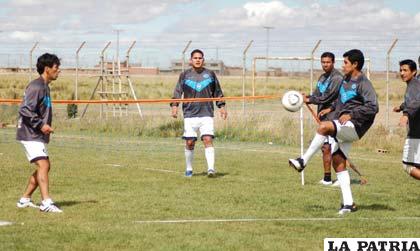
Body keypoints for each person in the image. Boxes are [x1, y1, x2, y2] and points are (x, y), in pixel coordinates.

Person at [289, 49, 378, 215]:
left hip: (356, 125)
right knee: (338, 162)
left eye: (345, 62)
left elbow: (373, 107)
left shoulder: (364, 83)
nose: (342, 66)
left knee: (324, 127)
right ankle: (349, 204)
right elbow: (337, 100)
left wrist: (351, 114)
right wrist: (309, 99)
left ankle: (303, 161)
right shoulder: (345, 79)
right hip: (345, 124)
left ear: (355, 64)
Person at [16, 53, 62, 213]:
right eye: (56, 68)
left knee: (45, 166)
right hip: (30, 133)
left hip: (35, 133)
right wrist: (41, 125)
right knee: (43, 164)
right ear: (47, 69)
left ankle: (25, 199)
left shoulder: (44, 86)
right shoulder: (36, 86)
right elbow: (24, 109)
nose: (59, 71)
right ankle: (46, 202)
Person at [170, 49, 227, 177]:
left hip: (206, 113)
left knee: (207, 139)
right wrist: (174, 106)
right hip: (190, 114)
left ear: (203, 60)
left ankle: (211, 169)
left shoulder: (210, 74)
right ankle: (189, 169)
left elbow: (217, 92)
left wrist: (222, 107)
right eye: (195, 58)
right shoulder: (184, 75)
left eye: (200, 58)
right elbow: (177, 92)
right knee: (190, 142)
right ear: (191, 60)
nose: (197, 60)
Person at [303, 52, 343, 186]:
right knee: (325, 148)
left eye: (328, 62)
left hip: (334, 117)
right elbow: (317, 94)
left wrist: (312, 100)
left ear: (333, 62)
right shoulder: (322, 78)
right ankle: (327, 179)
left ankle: (341, 178)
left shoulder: (337, 78)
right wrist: (307, 97)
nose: (325, 64)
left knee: (334, 148)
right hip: (323, 117)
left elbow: (330, 97)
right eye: (323, 62)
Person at [393, 59, 420, 180]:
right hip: (416, 133)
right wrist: (401, 107)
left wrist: (406, 114)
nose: (402, 73)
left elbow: (415, 102)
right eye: (400, 70)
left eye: (405, 70)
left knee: (408, 165)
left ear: (414, 72)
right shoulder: (414, 84)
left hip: (416, 134)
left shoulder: (414, 85)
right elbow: (411, 101)